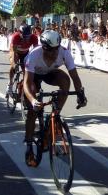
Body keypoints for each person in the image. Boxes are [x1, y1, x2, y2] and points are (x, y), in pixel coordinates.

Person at [23, 30, 87, 166]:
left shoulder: (64, 53)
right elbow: (27, 83)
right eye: (50, 51)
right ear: (43, 47)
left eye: (55, 50)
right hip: (34, 75)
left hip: (49, 73)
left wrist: (80, 94)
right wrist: (33, 101)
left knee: (65, 80)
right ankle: (29, 146)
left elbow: (75, 77)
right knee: (32, 110)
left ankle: (55, 114)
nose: (53, 53)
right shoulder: (34, 55)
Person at [6, 25, 38, 95]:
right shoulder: (15, 37)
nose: (26, 38)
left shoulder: (34, 37)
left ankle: (24, 86)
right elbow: (14, 52)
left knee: (26, 70)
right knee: (13, 66)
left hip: (25, 52)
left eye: (28, 36)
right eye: (24, 36)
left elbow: (36, 52)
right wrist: (14, 64)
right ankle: (10, 84)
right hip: (15, 52)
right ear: (20, 33)